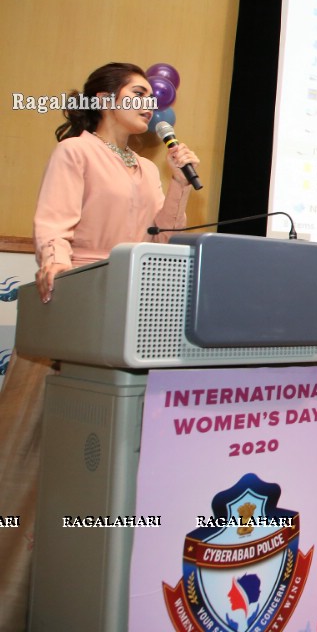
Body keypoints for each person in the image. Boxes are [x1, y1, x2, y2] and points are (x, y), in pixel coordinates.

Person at [0, 62, 200, 631]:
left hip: (124, 314)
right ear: (102, 98)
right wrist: (57, 273)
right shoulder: (77, 152)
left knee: (99, 470)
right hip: (75, 315)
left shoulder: (145, 165)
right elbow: (54, 227)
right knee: (33, 464)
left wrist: (180, 183)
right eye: (138, 93)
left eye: (151, 95)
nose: (151, 103)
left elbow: (159, 236)